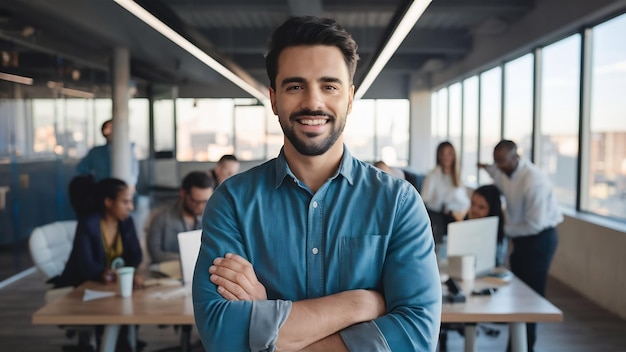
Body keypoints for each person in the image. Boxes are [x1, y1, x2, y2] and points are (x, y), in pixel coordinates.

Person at [192, 16, 441, 352]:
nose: (313, 103)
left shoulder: (398, 202)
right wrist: (360, 304)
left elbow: (416, 336)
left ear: (350, 98)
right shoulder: (232, 201)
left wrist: (267, 324)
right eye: (295, 86)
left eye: (329, 86)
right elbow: (222, 335)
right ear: (274, 98)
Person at [479, 139, 563, 352]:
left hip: (540, 238)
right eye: (495, 161)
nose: (497, 166)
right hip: (520, 237)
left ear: (516, 158)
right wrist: (483, 166)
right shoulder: (502, 170)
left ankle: (526, 347)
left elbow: (534, 225)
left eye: (501, 161)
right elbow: (494, 172)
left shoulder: (534, 182)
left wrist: (501, 230)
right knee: (517, 293)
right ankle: (516, 345)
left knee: (530, 299)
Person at [54, 177, 143, 288]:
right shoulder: (88, 225)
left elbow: (136, 254)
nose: (130, 207)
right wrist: (102, 273)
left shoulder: (127, 223)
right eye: (125, 202)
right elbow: (86, 264)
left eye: (131, 202)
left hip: (112, 285)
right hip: (81, 286)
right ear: (108, 202)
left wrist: (128, 273)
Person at [146, 171, 215, 264]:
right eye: (196, 201)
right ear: (183, 193)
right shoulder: (162, 217)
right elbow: (155, 253)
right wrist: (187, 258)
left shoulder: (212, 218)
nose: (201, 206)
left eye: (205, 201)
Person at [421, 141, 470, 241]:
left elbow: (465, 201)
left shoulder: (458, 176)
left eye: (449, 154)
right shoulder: (433, 176)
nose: (445, 157)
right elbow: (425, 200)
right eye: (442, 154)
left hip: (461, 216)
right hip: (442, 216)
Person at [76, 119, 139, 188]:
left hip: (123, 189)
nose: (109, 132)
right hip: (103, 190)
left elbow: (134, 171)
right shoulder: (96, 152)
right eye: (106, 129)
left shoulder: (128, 149)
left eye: (112, 128)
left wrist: (130, 187)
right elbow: (82, 169)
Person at [466, 184, 507, 266]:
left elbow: (496, 263)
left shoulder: (498, 238)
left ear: (492, 210)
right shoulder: (465, 227)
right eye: (473, 204)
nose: (474, 210)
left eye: (481, 207)